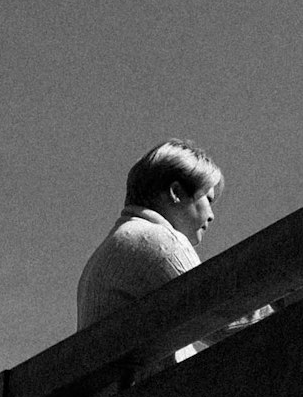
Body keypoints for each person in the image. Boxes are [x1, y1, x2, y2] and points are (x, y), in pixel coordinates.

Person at [75, 140, 221, 332]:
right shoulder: (162, 242)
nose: (211, 215)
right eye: (207, 199)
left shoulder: (113, 246)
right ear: (176, 192)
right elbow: (223, 314)